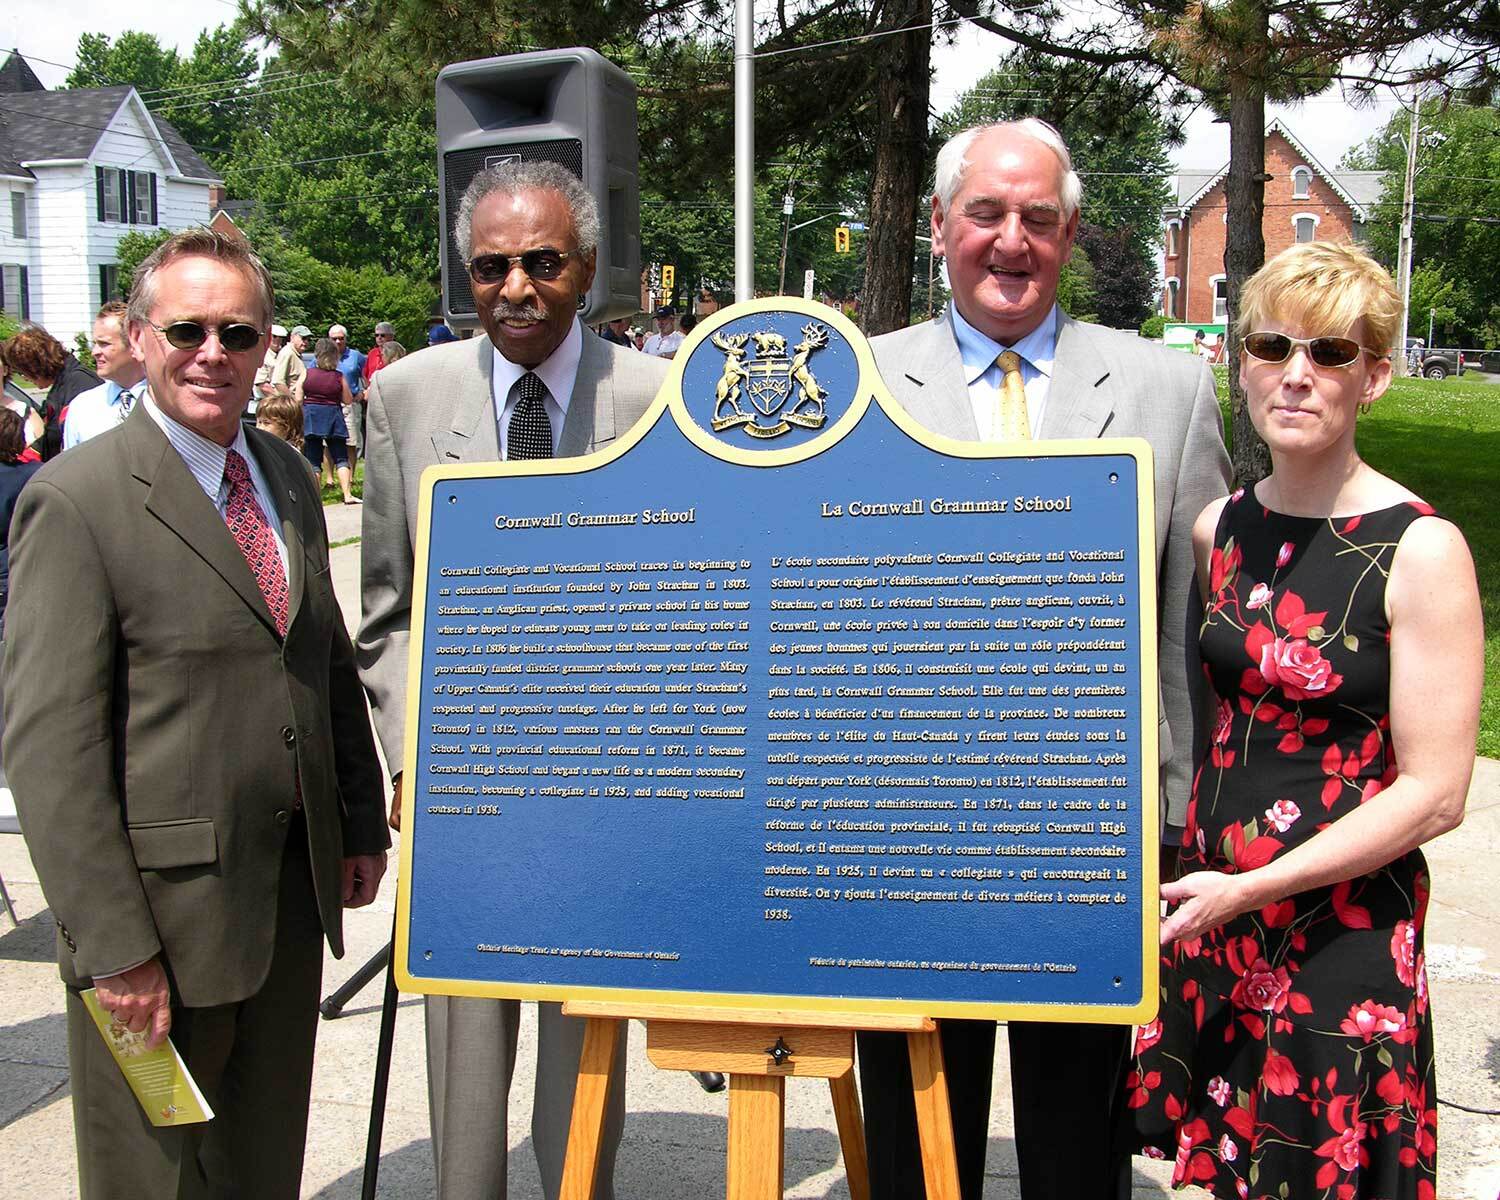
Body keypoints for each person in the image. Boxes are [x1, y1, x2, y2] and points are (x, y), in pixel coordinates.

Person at [861, 118, 1232, 1200]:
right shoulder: (863, 384)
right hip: (900, 839)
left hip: (1088, 834)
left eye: (1037, 217)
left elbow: (1190, 624)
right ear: (941, 225)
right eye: (986, 213)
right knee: (915, 1146)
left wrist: (1180, 812)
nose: (1010, 240)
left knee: (1077, 1148)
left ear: (1070, 232)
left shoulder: (1167, 389)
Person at [3, 228, 389, 1199]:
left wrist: (354, 818)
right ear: (140, 337)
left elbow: (322, 657)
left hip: (287, 905)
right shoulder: (76, 501)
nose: (213, 353)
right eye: (187, 330)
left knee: (263, 1168)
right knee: (154, 1180)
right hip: (158, 934)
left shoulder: (285, 476)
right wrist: (115, 949)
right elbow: (51, 751)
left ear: (265, 345)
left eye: (238, 332)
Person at [1125, 241, 1480, 1197]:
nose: (1296, 373)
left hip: (1341, 931)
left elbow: (1437, 794)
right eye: (1273, 345)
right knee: (1234, 1169)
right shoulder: (1220, 529)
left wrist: (1254, 887)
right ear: (1239, 363)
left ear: (1375, 377)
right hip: (1219, 916)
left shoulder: (1422, 550)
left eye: (1330, 353)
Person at [358, 159, 667, 1200]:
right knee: (465, 1060)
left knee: (583, 1059)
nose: (517, 288)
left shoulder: (657, 398)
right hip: (465, 794)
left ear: (588, 268)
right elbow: (389, 609)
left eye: (543, 262)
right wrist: (411, 758)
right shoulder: (405, 397)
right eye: (492, 268)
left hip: (608, 797)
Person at [1, 323, 100, 459]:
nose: (24, 378)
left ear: (35, 365)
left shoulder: (79, 384)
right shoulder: (63, 383)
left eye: (22, 371)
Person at [62, 302, 149, 448]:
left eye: (104, 344)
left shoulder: (167, 402)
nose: (94, 352)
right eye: (95, 343)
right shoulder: (82, 407)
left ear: (134, 344)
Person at [303, 337, 359, 504]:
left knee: (313, 459)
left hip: (312, 417)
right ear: (335, 356)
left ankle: (315, 497)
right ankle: (347, 494)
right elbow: (348, 399)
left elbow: (298, 396)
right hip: (334, 417)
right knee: (341, 457)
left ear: (317, 355)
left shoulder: (307, 373)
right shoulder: (338, 376)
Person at [329, 323, 367, 469]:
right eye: (334, 339)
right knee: (328, 442)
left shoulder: (356, 356)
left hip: (351, 404)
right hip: (330, 403)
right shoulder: (324, 356)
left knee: (352, 441)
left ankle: (350, 475)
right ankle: (330, 477)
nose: (338, 341)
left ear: (346, 339)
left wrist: (363, 392)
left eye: (341, 338)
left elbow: (366, 376)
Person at [272, 323, 311, 398]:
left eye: (308, 339)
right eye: (303, 338)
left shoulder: (296, 354)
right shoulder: (287, 353)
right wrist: (292, 401)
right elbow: (278, 381)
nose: (306, 342)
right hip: (289, 402)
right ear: (292, 337)